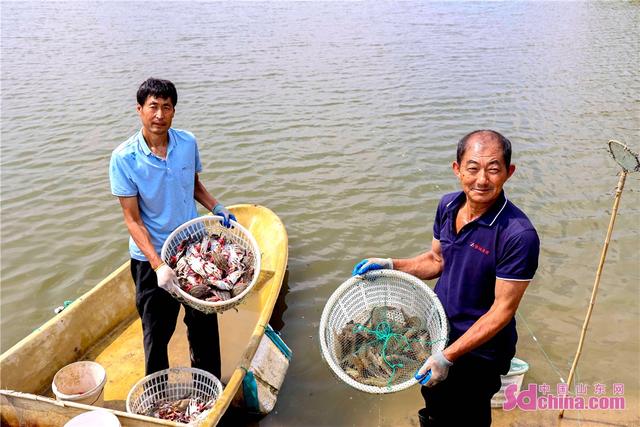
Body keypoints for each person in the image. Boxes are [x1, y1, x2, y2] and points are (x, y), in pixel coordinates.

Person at [353, 130, 540, 427]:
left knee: (467, 417)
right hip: (437, 332)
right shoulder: (448, 206)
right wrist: (390, 264)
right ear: (457, 169)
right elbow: (437, 260)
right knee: (435, 407)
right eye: (473, 168)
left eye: (493, 169)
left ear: (509, 173)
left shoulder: (518, 234)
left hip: (481, 351)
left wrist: (448, 357)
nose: (482, 180)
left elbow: (502, 311)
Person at [109, 77, 236, 378]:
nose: (159, 115)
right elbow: (132, 220)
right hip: (152, 258)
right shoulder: (124, 158)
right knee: (156, 332)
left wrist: (216, 206)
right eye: (153, 107)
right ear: (139, 109)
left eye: (166, 107)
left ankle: (210, 385)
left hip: (194, 248)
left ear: (174, 112)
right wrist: (158, 265)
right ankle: (158, 394)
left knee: (204, 325)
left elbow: (193, 184)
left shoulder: (187, 142)